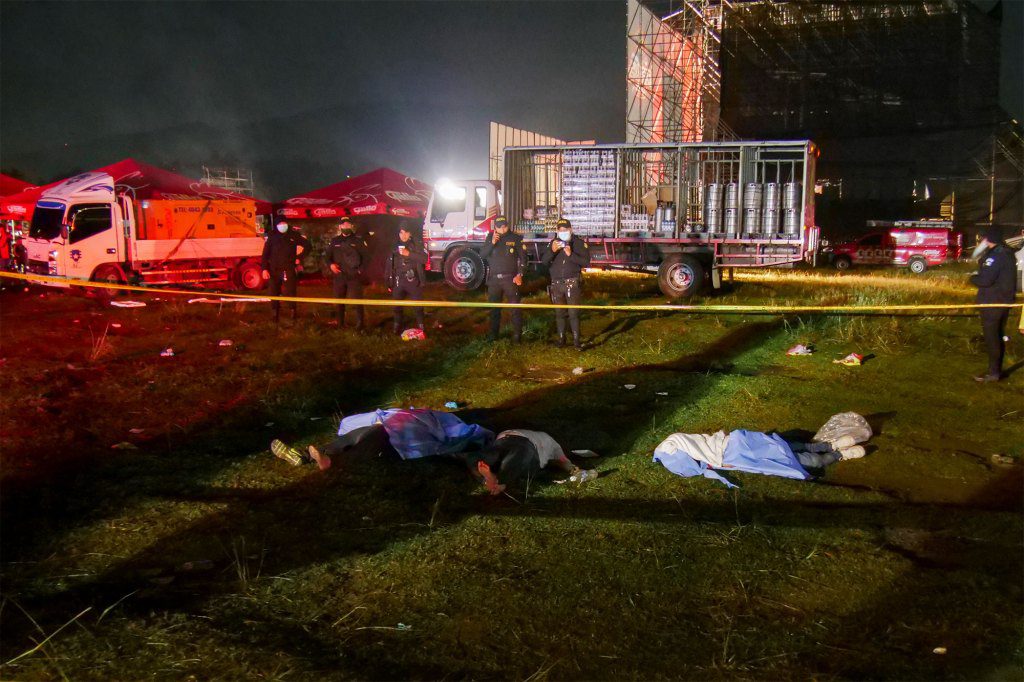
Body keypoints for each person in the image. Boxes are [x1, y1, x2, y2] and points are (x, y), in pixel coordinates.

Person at [464, 429, 597, 495]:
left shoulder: (548, 439)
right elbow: (564, 462)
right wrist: (573, 469)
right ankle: (497, 480)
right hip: (521, 446)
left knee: (490, 457)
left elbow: (563, 461)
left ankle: (489, 478)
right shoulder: (553, 444)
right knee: (517, 458)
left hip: (506, 440)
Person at [969, 227, 1016, 382]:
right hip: (1004, 302)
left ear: (987, 239)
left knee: (992, 338)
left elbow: (985, 280)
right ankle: (996, 371)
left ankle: (993, 373)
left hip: (992, 302)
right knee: (998, 335)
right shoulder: (1007, 253)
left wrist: (972, 278)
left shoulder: (995, 256)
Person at [541, 218, 591, 349]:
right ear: (557, 231)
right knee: (559, 313)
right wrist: (552, 251)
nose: (563, 232)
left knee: (574, 313)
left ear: (571, 230)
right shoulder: (553, 243)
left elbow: (586, 262)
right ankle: (561, 339)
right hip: (556, 284)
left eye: (565, 230)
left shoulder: (579, 243)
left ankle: (576, 341)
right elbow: (544, 261)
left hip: (572, 283)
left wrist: (571, 254)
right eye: (560, 230)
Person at [478, 215, 527, 342]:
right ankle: (493, 335)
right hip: (494, 280)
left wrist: (520, 274)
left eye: (504, 226)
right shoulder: (490, 238)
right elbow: (482, 255)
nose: (502, 229)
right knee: (494, 309)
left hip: (510, 279)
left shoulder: (515, 238)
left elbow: (523, 259)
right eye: (499, 227)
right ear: (495, 227)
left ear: (507, 225)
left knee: (515, 308)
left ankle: (517, 336)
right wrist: (492, 243)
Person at [261, 220, 310, 324]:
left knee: (290, 291)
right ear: (277, 226)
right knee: (273, 292)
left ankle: (293, 313)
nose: (282, 226)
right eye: (280, 224)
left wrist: (300, 257)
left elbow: (308, 246)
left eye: (284, 224)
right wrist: (264, 269)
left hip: (289, 269)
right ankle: (275, 315)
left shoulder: (294, 235)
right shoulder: (272, 236)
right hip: (274, 270)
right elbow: (265, 254)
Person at [323, 217, 368, 330]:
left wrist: (360, 270)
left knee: (358, 301)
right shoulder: (335, 241)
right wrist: (331, 265)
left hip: (354, 276)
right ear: (340, 227)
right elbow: (327, 257)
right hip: (339, 276)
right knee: (339, 300)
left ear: (351, 226)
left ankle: (360, 324)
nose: (346, 227)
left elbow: (366, 257)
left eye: (348, 225)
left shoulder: (358, 240)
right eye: (344, 225)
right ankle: (340, 323)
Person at [385, 223, 426, 333]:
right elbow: (389, 264)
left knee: (418, 305)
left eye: (406, 232)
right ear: (398, 234)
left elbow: (424, 259)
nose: (404, 235)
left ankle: (421, 326)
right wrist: (388, 282)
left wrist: (409, 254)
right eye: (401, 232)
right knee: (396, 305)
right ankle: (397, 326)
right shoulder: (394, 245)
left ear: (410, 233)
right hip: (398, 279)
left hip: (413, 279)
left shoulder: (416, 244)